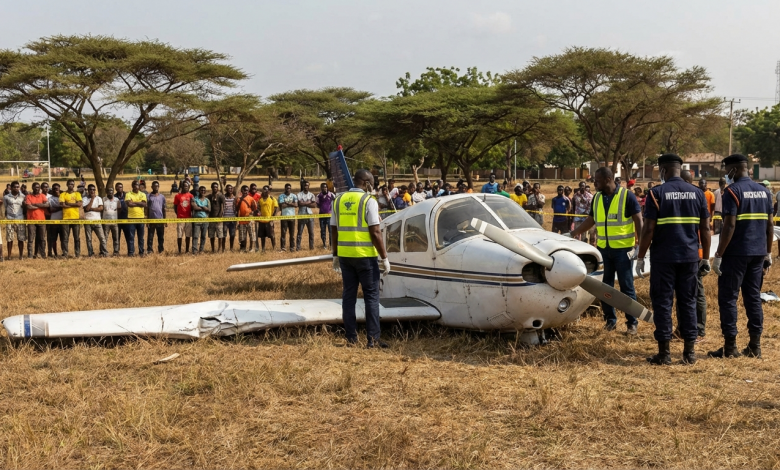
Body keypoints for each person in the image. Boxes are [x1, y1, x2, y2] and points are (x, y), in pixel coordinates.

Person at [636, 154, 710, 364]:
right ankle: (689, 354)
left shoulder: (656, 194)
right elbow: (705, 228)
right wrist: (704, 257)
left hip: (664, 259)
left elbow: (648, 229)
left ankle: (665, 353)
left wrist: (641, 256)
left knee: (663, 303)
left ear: (664, 170)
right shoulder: (698, 194)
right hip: (690, 258)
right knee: (688, 302)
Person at [709, 154, 774, 359]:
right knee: (753, 297)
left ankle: (730, 347)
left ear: (734, 170)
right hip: (758, 253)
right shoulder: (765, 192)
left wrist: (719, 254)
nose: (726, 175)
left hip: (736, 253)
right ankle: (755, 346)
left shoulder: (732, 191)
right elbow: (770, 225)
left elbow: (729, 225)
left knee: (728, 298)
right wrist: (769, 252)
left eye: (727, 171)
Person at [569, 167, 643, 334]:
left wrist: (640, 245)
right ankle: (610, 320)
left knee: (626, 287)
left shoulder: (626, 196)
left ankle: (632, 323)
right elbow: (591, 220)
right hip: (604, 251)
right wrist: (574, 233)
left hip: (623, 251)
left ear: (608, 179)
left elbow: (639, 220)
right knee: (604, 287)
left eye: (597, 180)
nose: (594, 182)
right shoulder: (597, 198)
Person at [331, 169, 391, 348]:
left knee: (348, 297)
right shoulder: (368, 201)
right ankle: (373, 339)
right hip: (365, 257)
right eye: (371, 183)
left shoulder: (338, 200)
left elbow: (333, 230)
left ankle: (351, 338)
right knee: (371, 297)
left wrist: (335, 255)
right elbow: (375, 232)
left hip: (345, 256)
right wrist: (384, 257)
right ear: (366, 183)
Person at [80, 184, 108, 257]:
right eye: (90, 189)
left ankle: (104, 252)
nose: (92, 191)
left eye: (93, 189)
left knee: (102, 238)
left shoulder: (99, 198)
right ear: (88, 191)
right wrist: (92, 199)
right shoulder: (85, 198)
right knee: (89, 239)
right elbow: (86, 209)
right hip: (88, 221)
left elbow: (101, 208)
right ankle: (90, 253)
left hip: (97, 221)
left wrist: (91, 209)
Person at [24, 182, 49, 259]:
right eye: (35, 187)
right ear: (32, 188)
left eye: (38, 187)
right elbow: (29, 206)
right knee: (31, 239)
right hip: (31, 220)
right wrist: (40, 205)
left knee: (42, 238)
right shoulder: (28, 196)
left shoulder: (43, 196)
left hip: (41, 220)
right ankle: (30, 255)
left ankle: (42, 254)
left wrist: (35, 204)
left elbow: (47, 205)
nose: (37, 189)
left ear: (40, 188)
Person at [59, 179, 82, 258]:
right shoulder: (63, 194)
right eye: (69, 184)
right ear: (67, 184)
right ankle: (65, 254)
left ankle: (77, 253)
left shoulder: (77, 194)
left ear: (74, 185)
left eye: (72, 184)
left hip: (75, 218)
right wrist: (74, 204)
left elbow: (79, 204)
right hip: (66, 218)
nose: (71, 186)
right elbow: (62, 205)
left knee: (77, 238)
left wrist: (68, 203)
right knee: (65, 238)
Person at [4, 181, 26, 260]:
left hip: (20, 219)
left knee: (21, 238)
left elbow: (24, 208)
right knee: (9, 238)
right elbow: (6, 207)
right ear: (11, 188)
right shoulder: (6, 197)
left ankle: (21, 256)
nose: (16, 188)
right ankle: (9, 256)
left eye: (18, 187)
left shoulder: (23, 196)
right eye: (15, 187)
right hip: (10, 219)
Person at [125, 180, 147, 257]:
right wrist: (139, 203)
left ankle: (141, 252)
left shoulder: (143, 194)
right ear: (132, 186)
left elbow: (144, 204)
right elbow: (129, 204)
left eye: (137, 185)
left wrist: (134, 202)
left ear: (139, 186)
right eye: (134, 185)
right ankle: (131, 253)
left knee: (141, 237)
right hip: (131, 218)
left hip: (141, 218)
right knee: (131, 237)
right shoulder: (128, 194)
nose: (136, 186)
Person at [173, 181, 194, 254]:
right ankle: (179, 251)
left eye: (187, 186)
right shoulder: (177, 196)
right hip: (180, 218)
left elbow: (192, 207)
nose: (186, 187)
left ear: (188, 187)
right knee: (179, 235)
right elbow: (175, 207)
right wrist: (178, 214)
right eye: (184, 186)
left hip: (188, 218)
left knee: (188, 235)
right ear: (181, 187)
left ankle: (187, 250)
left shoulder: (191, 196)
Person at [256, 185, 278, 253]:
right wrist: (258, 213)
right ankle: (263, 249)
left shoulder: (272, 198)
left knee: (271, 235)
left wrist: (274, 215)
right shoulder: (260, 200)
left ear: (269, 191)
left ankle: (274, 247)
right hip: (262, 220)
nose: (265, 191)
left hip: (269, 220)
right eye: (264, 190)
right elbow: (258, 208)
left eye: (266, 190)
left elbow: (276, 207)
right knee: (262, 236)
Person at [146, 181, 167, 254]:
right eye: (154, 186)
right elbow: (147, 209)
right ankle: (149, 250)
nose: (156, 187)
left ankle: (161, 249)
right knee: (150, 236)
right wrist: (147, 220)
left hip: (160, 220)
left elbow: (164, 209)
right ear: (152, 187)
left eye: (157, 186)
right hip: (151, 220)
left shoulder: (162, 197)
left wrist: (165, 220)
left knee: (160, 236)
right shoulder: (148, 196)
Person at [296, 181, 317, 251]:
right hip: (301, 215)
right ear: (302, 186)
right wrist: (309, 202)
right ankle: (298, 247)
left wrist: (304, 203)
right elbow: (299, 204)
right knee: (299, 233)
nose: (306, 187)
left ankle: (311, 247)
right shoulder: (299, 195)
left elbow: (314, 205)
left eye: (307, 185)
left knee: (311, 233)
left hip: (310, 216)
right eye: (305, 185)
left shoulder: (311, 195)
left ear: (309, 186)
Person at [237, 185, 258, 252]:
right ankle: (243, 249)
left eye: (247, 190)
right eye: (244, 190)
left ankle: (251, 248)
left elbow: (255, 209)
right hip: (241, 220)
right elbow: (237, 209)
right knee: (242, 236)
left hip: (250, 220)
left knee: (252, 234)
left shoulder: (251, 199)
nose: (245, 192)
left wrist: (252, 213)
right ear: (242, 191)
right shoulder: (238, 199)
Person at [278, 183, 297, 252]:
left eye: (289, 188)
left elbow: (296, 205)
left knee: (292, 233)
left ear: (290, 189)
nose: (288, 189)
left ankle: (292, 247)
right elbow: (282, 205)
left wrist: (287, 203)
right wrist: (291, 204)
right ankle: (283, 247)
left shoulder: (294, 196)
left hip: (292, 217)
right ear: (285, 188)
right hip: (284, 217)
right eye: (287, 188)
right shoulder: (281, 196)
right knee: (283, 233)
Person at [191, 185, 210, 255]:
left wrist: (201, 207)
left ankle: (201, 250)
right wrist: (203, 208)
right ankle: (194, 251)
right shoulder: (194, 199)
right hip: (196, 220)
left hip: (205, 220)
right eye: (201, 190)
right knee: (195, 236)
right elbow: (194, 207)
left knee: (203, 236)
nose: (203, 192)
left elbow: (209, 209)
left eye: (204, 190)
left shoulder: (207, 200)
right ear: (199, 191)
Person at [207, 182, 225, 253]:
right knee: (211, 235)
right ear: (211, 188)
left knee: (220, 235)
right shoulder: (209, 196)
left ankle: (219, 249)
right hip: (211, 218)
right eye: (214, 187)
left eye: (216, 187)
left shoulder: (221, 196)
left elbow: (222, 208)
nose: (215, 188)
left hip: (219, 219)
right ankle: (213, 249)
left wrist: (219, 217)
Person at [103, 187, 121, 256]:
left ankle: (116, 252)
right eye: (109, 191)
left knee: (116, 238)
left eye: (111, 191)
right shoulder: (103, 199)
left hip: (115, 223)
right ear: (106, 192)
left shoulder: (117, 200)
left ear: (113, 192)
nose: (110, 192)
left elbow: (119, 209)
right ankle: (103, 252)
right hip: (106, 223)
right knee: (104, 238)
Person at [317, 183, 336, 249]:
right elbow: (317, 204)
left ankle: (331, 245)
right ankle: (324, 244)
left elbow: (335, 202)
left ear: (327, 188)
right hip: (322, 216)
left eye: (325, 187)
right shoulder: (319, 196)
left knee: (330, 231)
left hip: (330, 216)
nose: (324, 188)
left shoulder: (331, 195)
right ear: (321, 188)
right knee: (323, 231)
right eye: (322, 187)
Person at [47, 183, 63, 258]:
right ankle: (55, 253)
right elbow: (51, 209)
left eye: (57, 188)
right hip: (53, 221)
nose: (55, 190)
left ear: (59, 189)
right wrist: (62, 207)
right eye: (54, 189)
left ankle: (64, 253)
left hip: (63, 220)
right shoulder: (50, 199)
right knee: (54, 238)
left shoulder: (63, 197)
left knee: (63, 238)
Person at [223, 184, 237, 251]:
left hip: (233, 219)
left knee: (232, 235)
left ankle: (231, 248)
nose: (230, 190)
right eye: (228, 188)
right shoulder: (223, 198)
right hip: (225, 219)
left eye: (231, 188)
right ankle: (223, 248)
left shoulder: (235, 198)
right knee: (224, 235)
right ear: (226, 190)